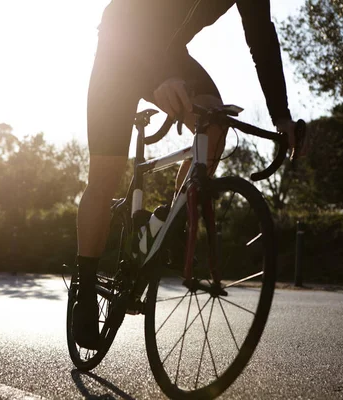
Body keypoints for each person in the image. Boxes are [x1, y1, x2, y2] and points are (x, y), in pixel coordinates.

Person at [73, 0, 300, 350]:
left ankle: (166, 222)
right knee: (103, 178)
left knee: (215, 117)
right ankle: (84, 291)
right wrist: (161, 74)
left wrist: (281, 116)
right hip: (121, 44)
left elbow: (261, 38)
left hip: (168, 51)